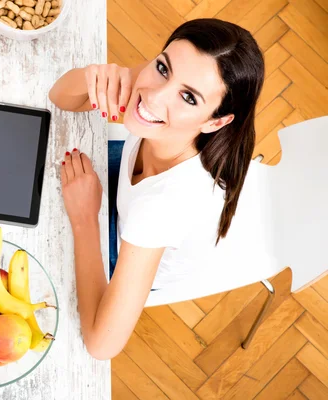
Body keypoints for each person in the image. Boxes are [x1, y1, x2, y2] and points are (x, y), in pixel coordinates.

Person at [48, 18, 265, 360]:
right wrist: (96, 75)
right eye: (163, 67)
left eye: (189, 98)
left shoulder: (161, 209)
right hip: (135, 193)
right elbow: (60, 97)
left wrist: (85, 219)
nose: (152, 96)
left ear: (216, 121)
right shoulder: (154, 89)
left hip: (144, 245)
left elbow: (100, 345)